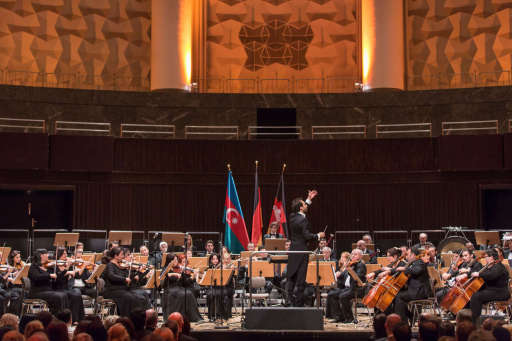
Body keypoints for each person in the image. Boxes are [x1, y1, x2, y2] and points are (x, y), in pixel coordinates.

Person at [286, 190, 324, 307]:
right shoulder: (303, 220)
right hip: (302, 251)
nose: (306, 206)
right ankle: (298, 305)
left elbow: (301, 209)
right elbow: (307, 236)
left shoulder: (292, 216)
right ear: (301, 208)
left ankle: (289, 301)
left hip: (293, 250)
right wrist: (318, 235)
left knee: (291, 276)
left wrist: (308, 199)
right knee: (301, 280)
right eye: (304, 204)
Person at [102, 247, 147, 317]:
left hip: (122, 289)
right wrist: (124, 279)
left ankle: (139, 318)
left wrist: (138, 272)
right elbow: (111, 276)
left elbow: (129, 278)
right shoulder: (110, 265)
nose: (123, 256)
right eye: (122, 254)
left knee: (139, 297)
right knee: (129, 297)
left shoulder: (121, 266)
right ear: (116, 256)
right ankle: (126, 317)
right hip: (112, 290)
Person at [469, 249, 510, 324]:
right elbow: (486, 274)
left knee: (476, 296)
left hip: (500, 292)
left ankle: (475, 322)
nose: (485, 259)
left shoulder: (499, 266)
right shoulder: (491, 266)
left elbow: (491, 275)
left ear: (491, 257)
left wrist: (479, 274)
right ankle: (472, 319)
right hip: (492, 291)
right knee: (474, 295)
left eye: (486, 257)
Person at [327, 248, 366, 323]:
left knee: (343, 296)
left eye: (355, 254)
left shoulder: (361, 265)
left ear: (360, 256)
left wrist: (349, 269)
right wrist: (341, 271)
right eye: (352, 254)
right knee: (332, 294)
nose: (353, 256)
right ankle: (339, 316)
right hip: (349, 288)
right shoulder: (351, 264)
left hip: (357, 289)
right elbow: (341, 276)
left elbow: (357, 278)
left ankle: (349, 318)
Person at [393, 247, 431, 323]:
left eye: (408, 254)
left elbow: (416, 271)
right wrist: (390, 271)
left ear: (413, 255)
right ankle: (410, 316)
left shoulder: (419, 262)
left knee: (399, 297)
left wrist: (404, 269)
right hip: (415, 290)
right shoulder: (414, 263)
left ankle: (403, 321)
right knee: (397, 296)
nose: (406, 257)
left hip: (420, 292)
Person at [161, 253, 202, 322]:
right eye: (174, 260)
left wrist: (193, 277)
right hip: (169, 289)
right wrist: (172, 274)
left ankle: (192, 317)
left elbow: (185, 282)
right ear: (170, 261)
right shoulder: (165, 269)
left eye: (176, 260)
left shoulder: (179, 269)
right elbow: (162, 282)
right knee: (183, 294)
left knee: (188, 293)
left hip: (179, 288)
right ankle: (177, 317)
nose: (176, 262)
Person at [28, 249, 68, 315]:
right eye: (46, 254)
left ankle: (65, 318)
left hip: (48, 291)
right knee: (58, 297)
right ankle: (57, 317)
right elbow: (37, 277)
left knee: (64, 295)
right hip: (37, 292)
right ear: (41, 255)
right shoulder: (34, 267)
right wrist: (49, 275)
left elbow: (57, 277)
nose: (48, 255)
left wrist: (65, 270)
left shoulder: (49, 267)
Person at [53, 247, 85, 323]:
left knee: (77, 293)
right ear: (59, 254)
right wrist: (68, 270)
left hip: (67, 287)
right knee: (74, 294)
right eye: (64, 253)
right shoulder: (55, 265)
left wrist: (82, 267)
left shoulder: (66, 263)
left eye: (66, 253)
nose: (66, 255)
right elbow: (59, 278)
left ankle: (77, 319)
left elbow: (77, 275)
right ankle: (70, 319)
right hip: (58, 288)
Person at [205, 253, 233, 321]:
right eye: (213, 259)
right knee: (211, 294)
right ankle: (212, 315)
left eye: (216, 259)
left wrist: (226, 270)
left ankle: (221, 315)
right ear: (210, 260)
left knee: (221, 294)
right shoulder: (209, 269)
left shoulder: (222, 267)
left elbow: (228, 279)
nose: (215, 260)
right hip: (213, 288)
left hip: (222, 287)